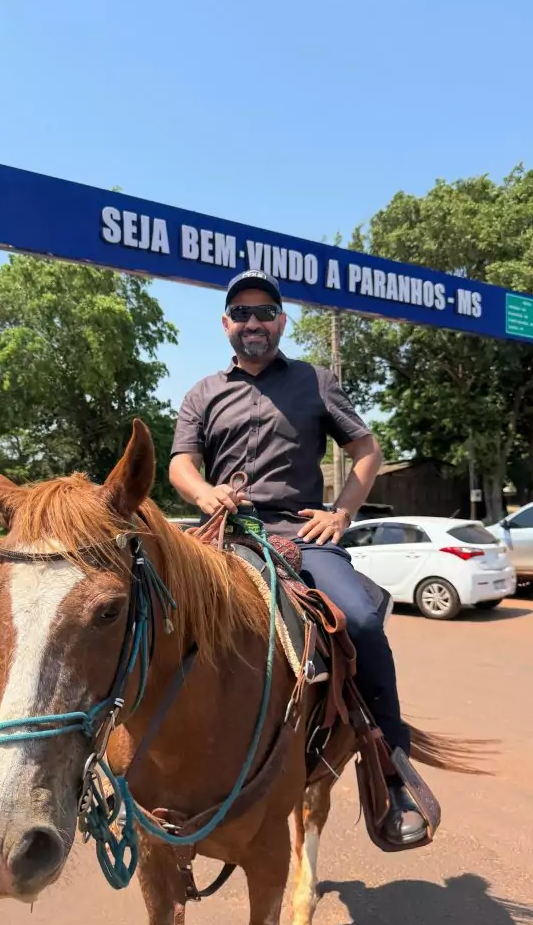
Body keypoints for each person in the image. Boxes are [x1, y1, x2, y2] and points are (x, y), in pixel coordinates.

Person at [169, 270, 426, 846]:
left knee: (360, 620)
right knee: (148, 609)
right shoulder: (202, 393)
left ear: (281, 321)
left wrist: (341, 513)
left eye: (265, 313)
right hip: (224, 533)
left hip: (303, 536)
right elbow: (180, 463)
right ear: (226, 324)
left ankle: (391, 773)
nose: (253, 323)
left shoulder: (317, 381)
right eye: (242, 313)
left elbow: (366, 448)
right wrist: (203, 492)